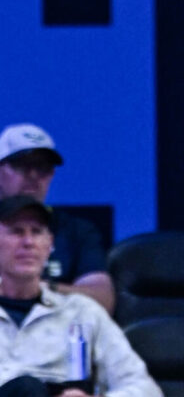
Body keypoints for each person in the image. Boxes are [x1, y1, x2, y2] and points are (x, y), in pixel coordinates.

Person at [0, 195, 162, 397]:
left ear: (50, 245)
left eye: (37, 232)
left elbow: (146, 389)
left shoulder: (82, 312)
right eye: (16, 231)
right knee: (27, 388)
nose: (28, 242)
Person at [0, 124, 115, 313]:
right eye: (22, 165)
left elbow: (102, 300)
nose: (33, 175)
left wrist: (38, 289)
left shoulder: (76, 230)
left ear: (52, 175)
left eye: (42, 167)